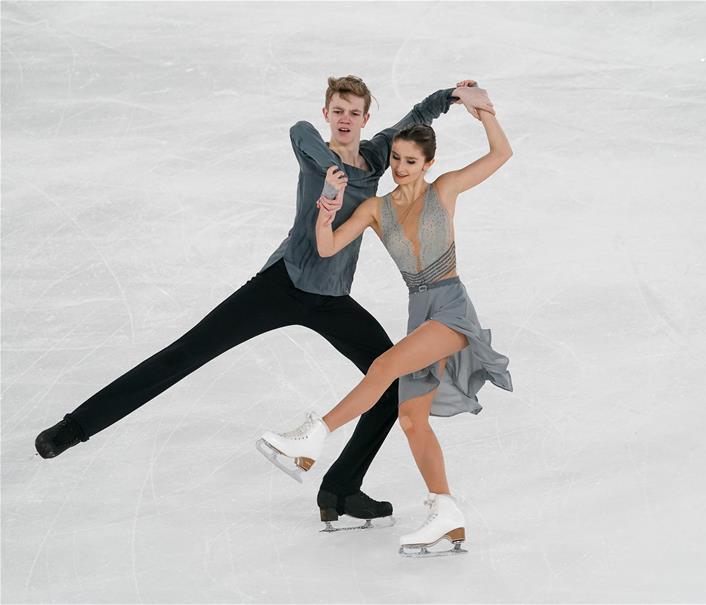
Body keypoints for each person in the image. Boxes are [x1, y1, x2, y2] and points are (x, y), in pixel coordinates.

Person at [34, 75, 494, 528]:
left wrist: (454, 95)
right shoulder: (315, 151)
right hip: (281, 284)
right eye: (338, 111)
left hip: (333, 299)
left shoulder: (377, 158)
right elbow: (301, 134)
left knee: (392, 384)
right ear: (327, 114)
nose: (346, 120)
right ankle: (74, 428)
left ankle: (341, 488)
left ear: (366, 117)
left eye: (355, 113)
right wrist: (335, 175)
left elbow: (416, 119)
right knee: (186, 353)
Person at [257, 95, 513, 555]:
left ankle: (312, 438)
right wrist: (328, 209)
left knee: (382, 368)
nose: (399, 167)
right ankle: (447, 513)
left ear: (428, 163)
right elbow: (329, 245)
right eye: (395, 158)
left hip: (451, 309)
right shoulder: (377, 209)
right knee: (412, 420)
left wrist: (484, 114)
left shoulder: (445, 190)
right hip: (420, 312)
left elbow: (501, 155)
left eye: (410, 161)